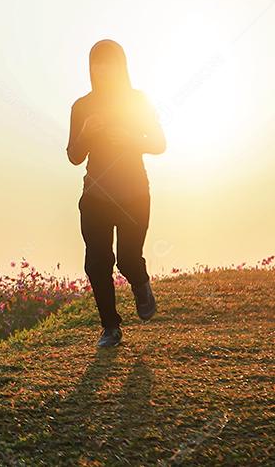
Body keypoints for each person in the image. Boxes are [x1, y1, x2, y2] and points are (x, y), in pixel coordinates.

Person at [67, 39, 166, 348]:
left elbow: (159, 143)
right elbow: (73, 155)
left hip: (133, 195)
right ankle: (110, 328)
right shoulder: (82, 106)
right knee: (97, 263)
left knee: (127, 258)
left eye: (108, 63)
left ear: (121, 66)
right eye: (96, 63)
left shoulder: (137, 100)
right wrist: (86, 133)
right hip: (96, 196)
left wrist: (131, 139)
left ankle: (141, 283)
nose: (102, 69)